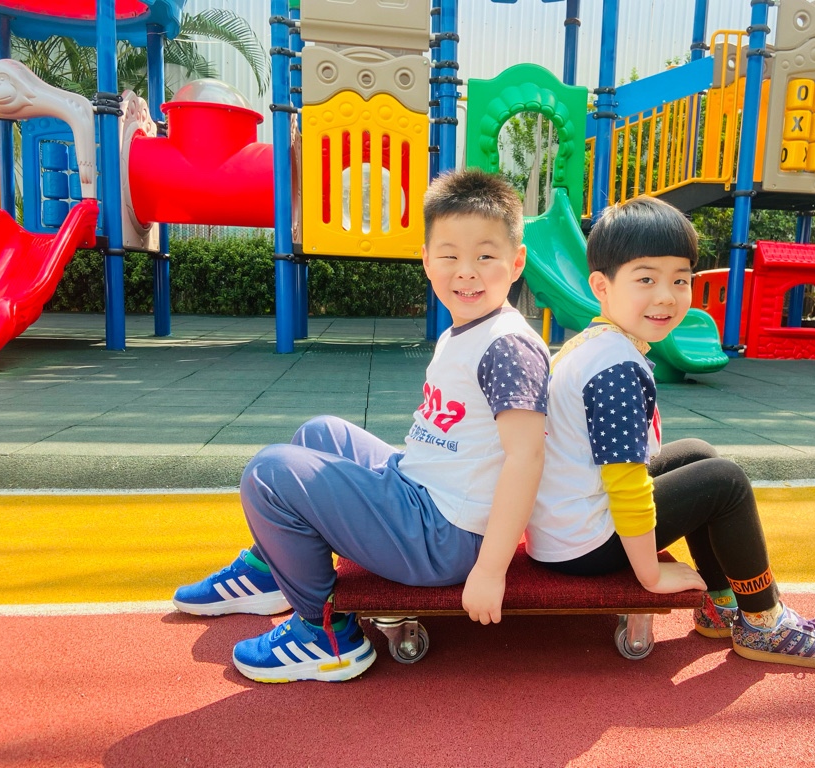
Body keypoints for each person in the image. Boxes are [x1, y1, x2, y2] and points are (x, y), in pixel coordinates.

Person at [172, 169, 550, 682]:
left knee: (269, 474)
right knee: (321, 432)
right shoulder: (466, 331)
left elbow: (527, 457)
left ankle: (327, 635)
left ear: (516, 262)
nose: (466, 272)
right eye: (449, 256)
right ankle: (271, 572)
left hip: (445, 536)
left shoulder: (507, 346)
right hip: (423, 492)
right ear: (426, 260)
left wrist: (489, 569)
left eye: (485, 256)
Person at [525, 197, 815, 669]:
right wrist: (651, 575)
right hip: (584, 546)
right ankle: (764, 621)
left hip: (561, 530)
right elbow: (625, 482)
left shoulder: (591, 343)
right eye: (646, 280)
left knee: (697, 455)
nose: (666, 296)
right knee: (725, 481)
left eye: (680, 280)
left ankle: (722, 602)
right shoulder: (616, 368)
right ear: (601, 285)